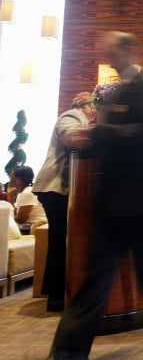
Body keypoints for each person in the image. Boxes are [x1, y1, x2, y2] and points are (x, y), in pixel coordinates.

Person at [28, 31, 143, 360]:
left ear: (129, 50)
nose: (108, 57)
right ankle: (70, 353)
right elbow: (110, 139)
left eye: (112, 51)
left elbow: (141, 132)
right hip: (109, 200)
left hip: (140, 197)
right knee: (93, 279)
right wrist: (85, 139)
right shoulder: (110, 96)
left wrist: (94, 134)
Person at [32, 91, 97, 312]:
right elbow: (71, 137)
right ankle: (55, 295)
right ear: (84, 104)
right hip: (54, 187)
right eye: (94, 107)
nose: (95, 112)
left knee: (64, 239)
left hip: (62, 188)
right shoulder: (70, 116)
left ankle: (59, 293)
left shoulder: (79, 118)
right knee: (60, 240)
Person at [6, 165, 48, 232]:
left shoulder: (27, 193)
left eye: (11, 177)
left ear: (18, 180)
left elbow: (21, 219)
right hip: (30, 227)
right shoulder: (23, 193)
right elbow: (14, 214)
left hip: (36, 228)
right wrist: (10, 195)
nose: (9, 179)